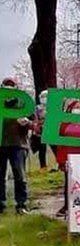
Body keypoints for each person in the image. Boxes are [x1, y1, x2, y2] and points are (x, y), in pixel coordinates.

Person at [0, 77, 32, 215]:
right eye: (6, 86)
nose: (9, 88)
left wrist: (27, 121)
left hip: (19, 144)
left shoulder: (23, 102)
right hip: (1, 143)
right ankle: (0, 205)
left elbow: (33, 121)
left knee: (20, 175)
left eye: (11, 85)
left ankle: (21, 204)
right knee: (0, 175)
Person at [31, 90, 49, 169]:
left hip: (51, 129)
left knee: (55, 147)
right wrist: (36, 127)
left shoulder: (53, 107)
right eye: (43, 97)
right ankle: (43, 165)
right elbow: (35, 118)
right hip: (41, 130)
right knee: (42, 149)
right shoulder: (37, 108)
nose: (44, 98)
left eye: (46, 97)